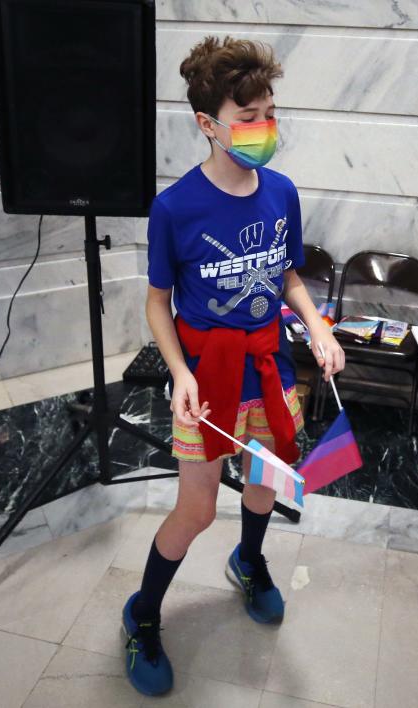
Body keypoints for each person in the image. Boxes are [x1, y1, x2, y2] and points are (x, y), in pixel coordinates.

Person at [123, 37, 344, 696]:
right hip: (208, 381)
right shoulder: (176, 207)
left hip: (269, 372)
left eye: (268, 112)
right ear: (208, 124)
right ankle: (142, 614)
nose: (261, 128)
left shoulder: (280, 192)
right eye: (247, 117)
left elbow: (289, 279)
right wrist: (181, 372)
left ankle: (249, 560)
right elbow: (157, 304)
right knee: (193, 511)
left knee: (265, 485)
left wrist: (318, 326)